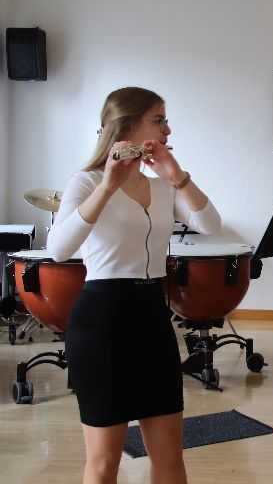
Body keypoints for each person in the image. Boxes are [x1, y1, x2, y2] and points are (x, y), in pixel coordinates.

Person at [48, 87, 221, 484]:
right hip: (101, 325)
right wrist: (107, 187)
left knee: (170, 458)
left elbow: (210, 224)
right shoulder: (86, 182)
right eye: (159, 120)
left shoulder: (162, 187)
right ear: (127, 125)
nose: (167, 129)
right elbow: (58, 249)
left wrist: (178, 177)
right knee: (104, 463)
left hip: (152, 321)